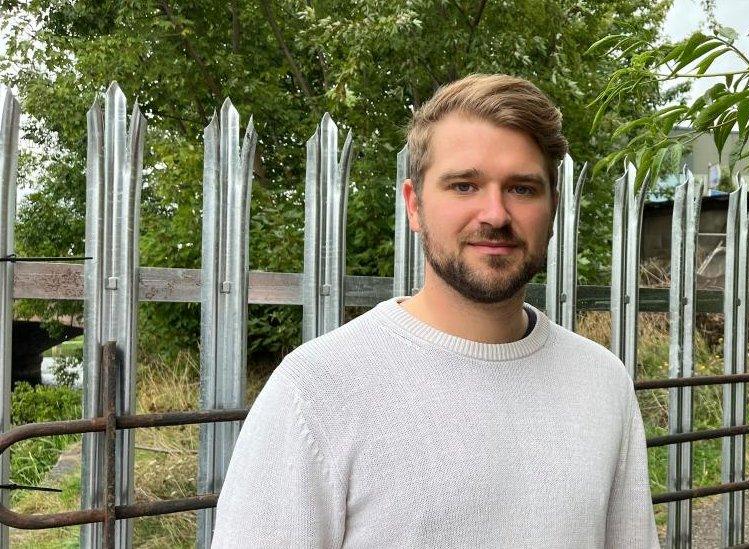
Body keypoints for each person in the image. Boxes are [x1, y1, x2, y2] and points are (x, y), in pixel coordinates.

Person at [211, 74, 658, 548]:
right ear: (414, 205)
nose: (495, 214)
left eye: (522, 188)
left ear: (553, 208)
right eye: (464, 185)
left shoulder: (603, 383)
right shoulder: (317, 391)